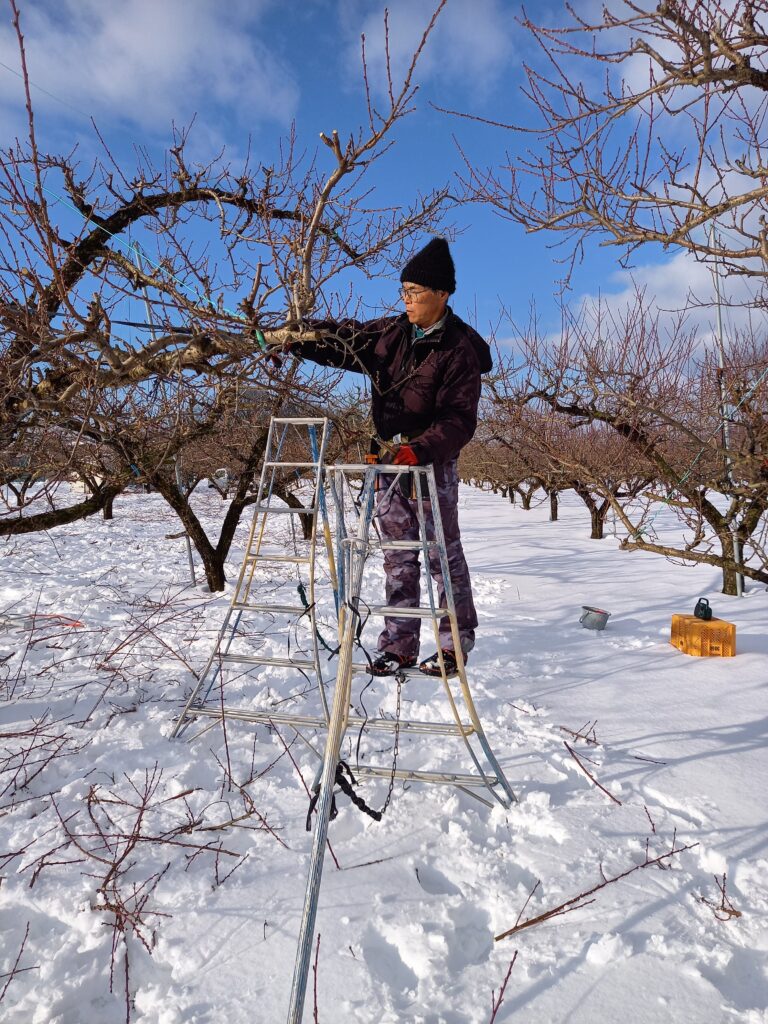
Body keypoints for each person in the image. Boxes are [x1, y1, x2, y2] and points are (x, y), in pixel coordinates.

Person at [288, 238, 492, 677]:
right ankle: (398, 645)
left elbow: (460, 419)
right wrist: (296, 338)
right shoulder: (391, 334)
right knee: (397, 554)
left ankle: (453, 643)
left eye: (416, 292)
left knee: (442, 552)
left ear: (443, 295)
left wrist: (418, 448)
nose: (408, 300)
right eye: (404, 291)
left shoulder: (458, 350)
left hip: (429, 461)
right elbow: (343, 340)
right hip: (387, 461)